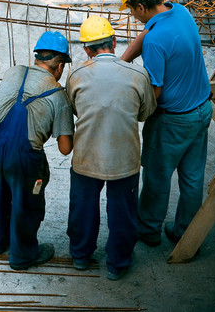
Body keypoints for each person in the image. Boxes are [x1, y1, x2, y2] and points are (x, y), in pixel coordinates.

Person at [120, 0, 213, 250]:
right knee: (193, 177)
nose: (133, 17)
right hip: (202, 110)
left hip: (173, 121)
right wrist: (122, 61)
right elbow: (148, 32)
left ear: (140, 7)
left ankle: (148, 231)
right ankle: (186, 231)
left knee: (157, 178)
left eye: (131, 11)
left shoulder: (156, 42)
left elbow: (154, 92)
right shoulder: (180, 11)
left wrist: (132, 109)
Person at [65, 15, 156, 280]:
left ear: (86, 50)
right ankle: (118, 263)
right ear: (115, 42)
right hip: (124, 159)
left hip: (86, 158)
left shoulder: (76, 74)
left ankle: (81, 256)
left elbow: (74, 108)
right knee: (123, 213)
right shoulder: (139, 74)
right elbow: (145, 113)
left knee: (83, 208)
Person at [0, 31, 74, 270]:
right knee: (26, 203)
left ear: (37, 57)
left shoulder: (13, 72)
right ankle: (22, 256)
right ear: (60, 66)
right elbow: (65, 149)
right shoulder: (58, 94)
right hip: (24, 157)